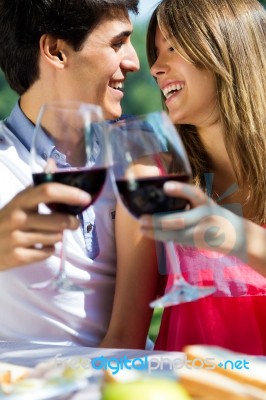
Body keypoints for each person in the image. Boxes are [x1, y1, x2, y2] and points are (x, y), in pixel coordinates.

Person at [0, 0, 159, 348]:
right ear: (56, 51)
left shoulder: (140, 157)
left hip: (126, 379)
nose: (134, 62)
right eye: (117, 44)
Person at [141, 0, 266, 355]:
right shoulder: (155, 180)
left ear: (227, 51)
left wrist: (236, 236)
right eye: (155, 52)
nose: (155, 68)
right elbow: (125, 335)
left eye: (173, 48)